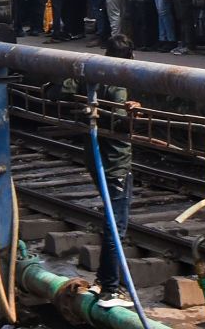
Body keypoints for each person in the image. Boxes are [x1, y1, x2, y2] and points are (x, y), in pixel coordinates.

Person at [71, 36, 140, 309]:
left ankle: (102, 279)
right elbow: (122, 124)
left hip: (96, 158)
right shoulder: (119, 85)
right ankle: (112, 289)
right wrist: (132, 113)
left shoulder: (92, 77)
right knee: (116, 228)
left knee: (111, 224)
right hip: (116, 163)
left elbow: (59, 89)